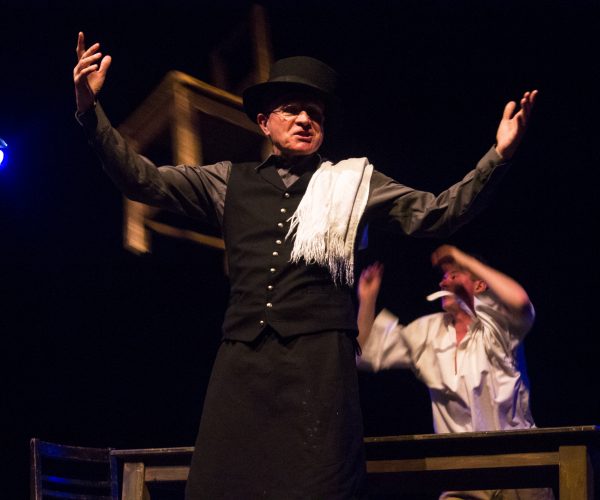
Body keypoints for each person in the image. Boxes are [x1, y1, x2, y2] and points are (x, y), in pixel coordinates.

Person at [73, 30, 537, 499]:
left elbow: (438, 212)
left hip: (320, 365)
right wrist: (91, 113)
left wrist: (498, 156)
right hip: (245, 360)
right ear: (264, 123)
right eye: (291, 110)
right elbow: (142, 180)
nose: (304, 120)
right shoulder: (228, 181)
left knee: (320, 486)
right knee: (221, 485)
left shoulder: (353, 183)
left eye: (314, 114)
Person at [357, 246, 554, 499]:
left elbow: (520, 302)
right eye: (444, 277)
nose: (443, 281)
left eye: (453, 275)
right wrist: (367, 300)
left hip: (519, 466)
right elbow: (364, 353)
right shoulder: (429, 333)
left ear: (479, 285)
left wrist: (464, 259)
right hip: (464, 475)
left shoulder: (497, 327)